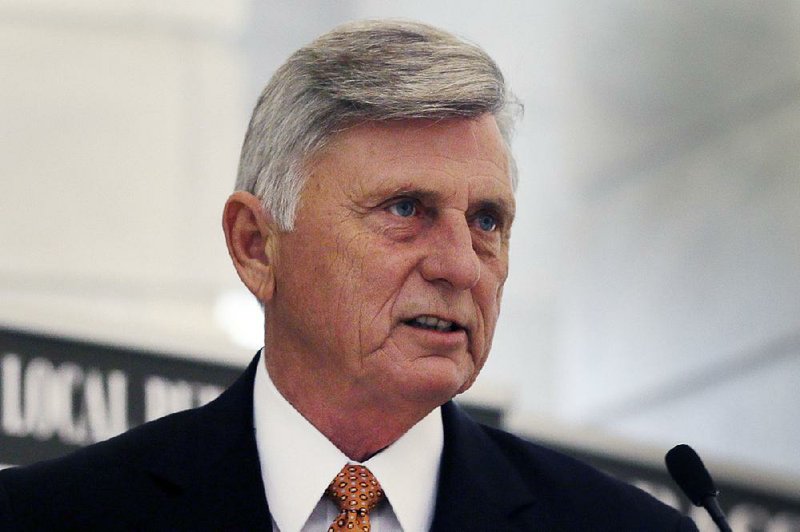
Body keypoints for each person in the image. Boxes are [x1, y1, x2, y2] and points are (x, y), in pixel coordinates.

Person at [0, 20, 698, 531]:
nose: (459, 265)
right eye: (405, 209)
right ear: (257, 246)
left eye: (486, 220)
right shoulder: (50, 518)